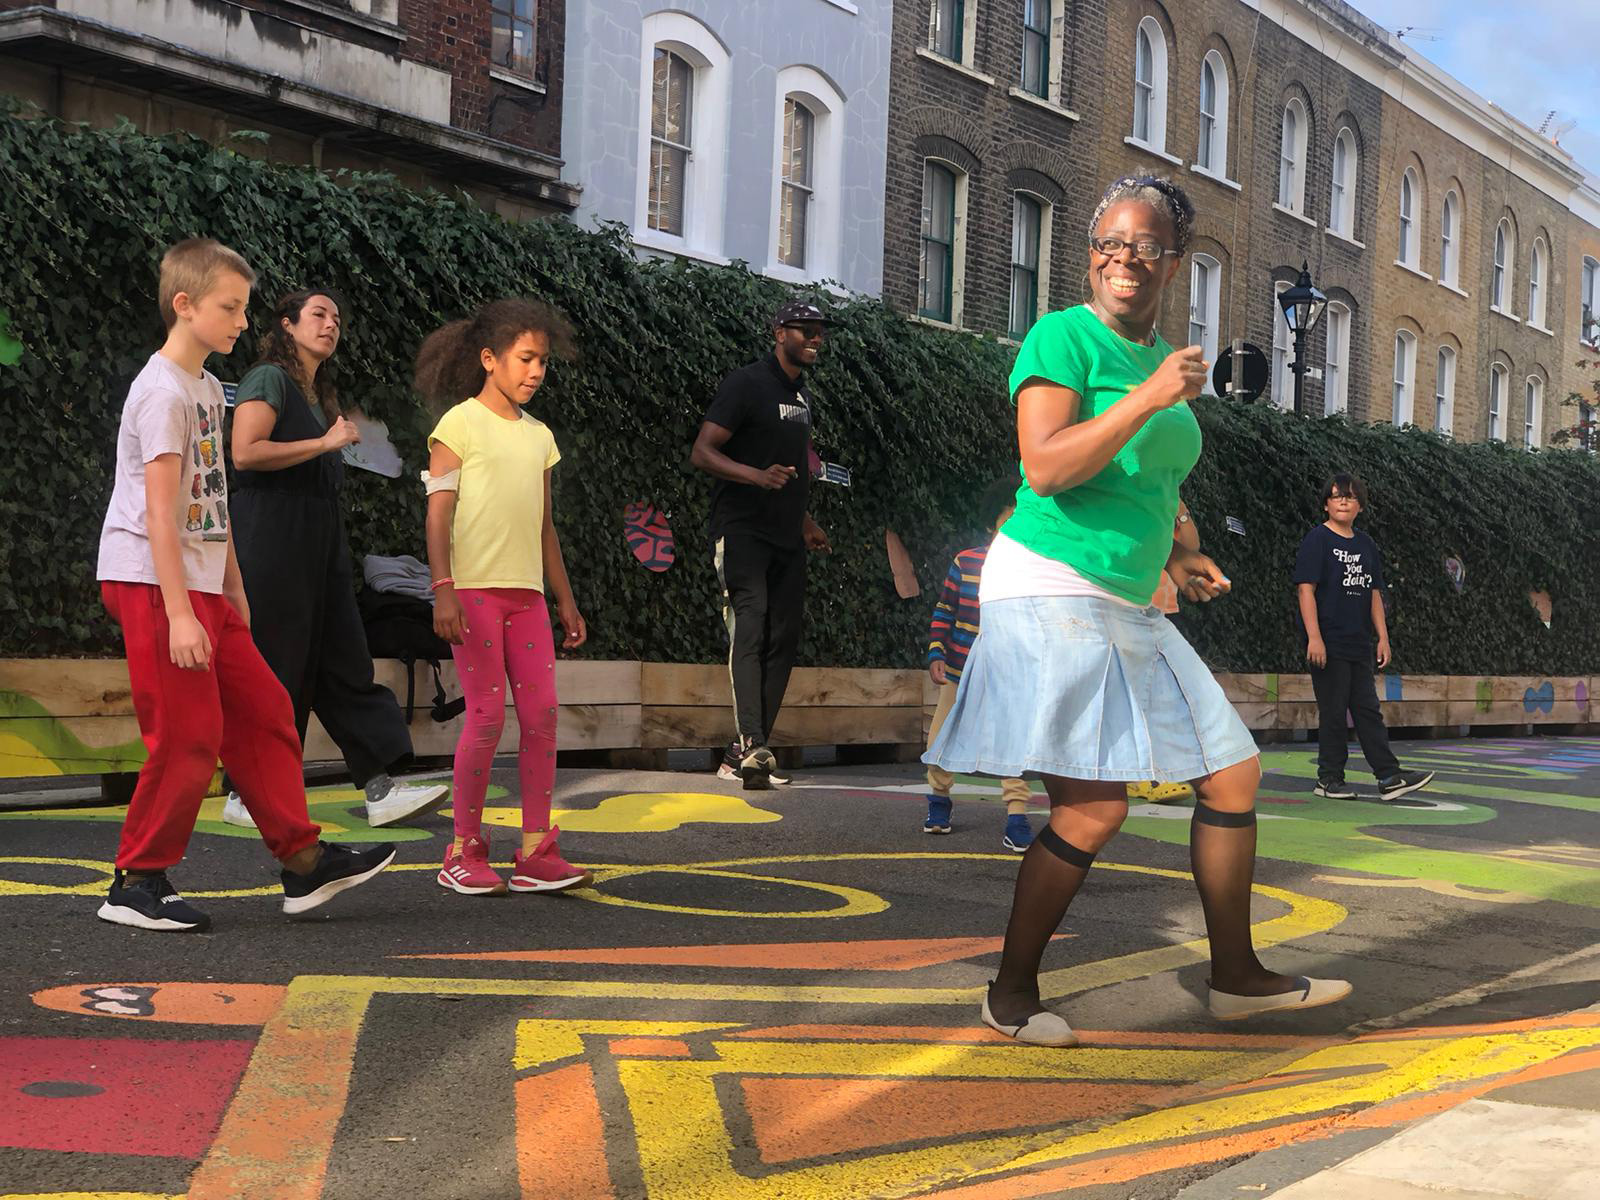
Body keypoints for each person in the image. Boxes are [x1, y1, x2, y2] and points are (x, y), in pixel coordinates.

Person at [925, 177, 1351, 1046]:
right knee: (1094, 808)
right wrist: (1150, 396)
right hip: (1047, 584)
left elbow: (1149, 485)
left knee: (1232, 774)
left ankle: (1235, 978)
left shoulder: (1161, 362)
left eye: (1144, 247)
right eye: (1109, 245)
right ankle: (1010, 992)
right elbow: (1044, 467)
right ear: (1091, 256)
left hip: (1128, 594)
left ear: (1173, 262)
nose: (1124, 259)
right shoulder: (1064, 337)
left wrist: (1181, 552)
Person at [95, 238, 395, 932]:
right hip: (151, 581)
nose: (240, 320)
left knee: (264, 709)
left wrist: (230, 585)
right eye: (228, 308)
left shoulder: (205, 386)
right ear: (184, 305)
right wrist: (179, 612)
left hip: (199, 585)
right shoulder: (163, 391)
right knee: (189, 735)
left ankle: (303, 862)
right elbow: (160, 514)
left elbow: (213, 493)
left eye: (243, 307)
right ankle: (136, 880)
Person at [222, 289, 448, 830]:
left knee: (344, 658)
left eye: (337, 319)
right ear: (287, 324)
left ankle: (379, 785)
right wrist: (325, 444)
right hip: (272, 536)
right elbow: (245, 451)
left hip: (318, 538)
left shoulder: (317, 393)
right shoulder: (267, 378)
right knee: (278, 661)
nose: (331, 325)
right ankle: (244, 793)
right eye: (319, 315)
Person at [416, 298, 590, 897]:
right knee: (487, 716)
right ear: (490, 359)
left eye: (542, 361)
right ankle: (462, 850)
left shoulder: (541, 437)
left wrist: (564, 599)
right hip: (473, 595)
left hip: (528, 599)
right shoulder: (459, 424)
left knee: (541, 717)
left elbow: (545, 527)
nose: (536, 371)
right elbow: (438, 516)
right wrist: (444, 590)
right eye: (525, 359)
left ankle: (537, 849)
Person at [690, 299, 832, 789]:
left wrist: (806, 520)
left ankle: (747, 754)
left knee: (784, 639)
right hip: (742, 529)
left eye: (819, 332)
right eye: (805, 330)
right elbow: (703, 451)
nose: (815, 338)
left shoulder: (802, 396)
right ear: (779, 332)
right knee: (750, 625)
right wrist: (755, 476)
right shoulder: (746, 383)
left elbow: (787, 471)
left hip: (786, 535)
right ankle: (752, 743)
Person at [1294, 473, 1434, 802]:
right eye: (1336, 496)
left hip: (1358, 643)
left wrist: (1382, 637)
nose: (1343, 501)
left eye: (1350, 497)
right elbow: (1305, 590)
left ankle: (1388, 777)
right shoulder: (1317, 540)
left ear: (1360, 505)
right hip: (1328, 642)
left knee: (1368, 710)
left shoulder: (1366, 545)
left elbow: (1374, 594)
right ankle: (1329, 779)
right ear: (1326, 504)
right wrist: (1314, 637)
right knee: (1333, 710)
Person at [924, 475, 1037, 851]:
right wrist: (937, 651)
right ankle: (938, 799)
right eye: (1007, 522)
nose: (1013, 531)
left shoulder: (1037, 569)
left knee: (1014, 743)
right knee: (942, 734)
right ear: (993, 523)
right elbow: (945, 609)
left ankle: (1017, 814)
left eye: (1021, 522)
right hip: (958, 670)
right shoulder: (967, 562)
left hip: (1010, 674)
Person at [1126, 501, 1200, 806]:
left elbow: (1192, 547)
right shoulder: (1125, 492)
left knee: (1155, 693)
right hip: (1126, 602)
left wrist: (1179, 509)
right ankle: (1142, 775)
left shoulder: (1165, 496)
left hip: (1160, 609)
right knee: (1137, 692)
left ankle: (1148, 774)